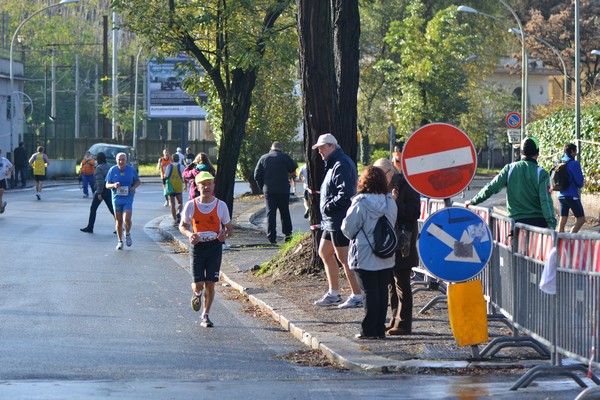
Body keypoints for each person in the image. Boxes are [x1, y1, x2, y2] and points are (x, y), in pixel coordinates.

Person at [341, 166, 397, 339]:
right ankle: (379, 329)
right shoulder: (390, 201)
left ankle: (368, 330)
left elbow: (348, 229)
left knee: (369, 292)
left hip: (365, 252)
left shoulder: (360, 203)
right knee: (381, 291)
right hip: (386, 251)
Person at [312, 133, 363, 309]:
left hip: (338, 218)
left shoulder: (340, 164)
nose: (320, 152)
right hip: (331, 219)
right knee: (324, 252)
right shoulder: (335, 163)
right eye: (318, 149)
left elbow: (346, 193)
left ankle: (358, 294)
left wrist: (328, 206)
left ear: (332, 146)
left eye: (322, 148)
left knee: (344, 258)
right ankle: (334, 293)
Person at [179, 171, 233, 328]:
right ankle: (196, 293)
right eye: (203, 184)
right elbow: (182, 226)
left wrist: (224, 236)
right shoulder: (191, 205)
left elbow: (229, 229)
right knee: (199, 285)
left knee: (210, 283)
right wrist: (190, 235)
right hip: (197, 248)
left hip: (214, 248)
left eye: (209, 184)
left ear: (213, 185)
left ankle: (206, 315)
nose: (207, 187)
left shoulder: (221, 205)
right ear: (197, 187)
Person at [466, 137, 557, 229]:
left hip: (515, 223)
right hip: (538, 224)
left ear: (521, 153)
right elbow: (546, 201)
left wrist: (473, 201)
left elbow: (491, 188)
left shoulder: (509, 169)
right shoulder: (541, 173)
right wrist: (551, 223)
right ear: (538, 153)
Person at [374, 158, 420, 336]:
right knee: (391, 284)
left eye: (381, 174)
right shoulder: (383, 187)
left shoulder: (406, 186)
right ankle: (394, 319)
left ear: (390, 171)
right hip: (388, 242)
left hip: (403, 243)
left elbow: (414, 212)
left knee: (402, 284)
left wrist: (395, 202)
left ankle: (404, 323)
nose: (378, 178)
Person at [254, 142, 298, 244]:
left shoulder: (263, 158)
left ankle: (272, 237)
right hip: (283, 190)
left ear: (271, 148)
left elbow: (257, 175)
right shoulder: (284, 157)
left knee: (270, 213)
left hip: (269, 190)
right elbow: (293, 167)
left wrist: (263, 187)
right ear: (280, 149)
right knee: (284, 212)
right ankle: (288, 235)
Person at [106, 152, 141, 250]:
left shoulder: (131, 170)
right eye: (119, 160)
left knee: (127, 219)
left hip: (128, 198)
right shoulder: (112, 170)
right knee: (119, 220)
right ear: (116, 160)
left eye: (123, 160)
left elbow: (138, 181)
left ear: (126, 160)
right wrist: (113, 185)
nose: (121, 161)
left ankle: (128, 233)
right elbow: (107, 185)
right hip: (117, 199)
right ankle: (120, 241)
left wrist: (134, 187)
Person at [80, 152, 115, 233]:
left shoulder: (99, 168)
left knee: (93, 208)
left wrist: (99, 193)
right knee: (112, 210)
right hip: (109, 190)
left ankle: (90, 227)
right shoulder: (109, 166)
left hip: (102, 190)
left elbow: (100, 182)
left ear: (98, 159)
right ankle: (120, 226)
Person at [557, 143, 585, 233]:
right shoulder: (574, 164)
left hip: (560, 194)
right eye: (575, 152)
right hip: (572, 195)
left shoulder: (558, 162)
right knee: (581, 219)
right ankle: (570, 239)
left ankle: (558, 242)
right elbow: (579, 182)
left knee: (562, 219)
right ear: (572, 151)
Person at [165, 153, 185, 224]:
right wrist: (185, 185)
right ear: (178, 159)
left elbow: (166, 176)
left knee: (172, 204)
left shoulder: (169, 167)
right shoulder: (182, 167)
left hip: (171, 188)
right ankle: (179, 213)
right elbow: (184, 176)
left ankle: (174, 219)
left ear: (172, 159)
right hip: (178, 187)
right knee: (180, 203)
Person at [0, 149, 14, 213]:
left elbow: (11, 167)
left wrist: (8, 172)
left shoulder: (4, 160)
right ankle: (2, 206)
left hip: (2, 179)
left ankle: (2, 206)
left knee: (0, 194)